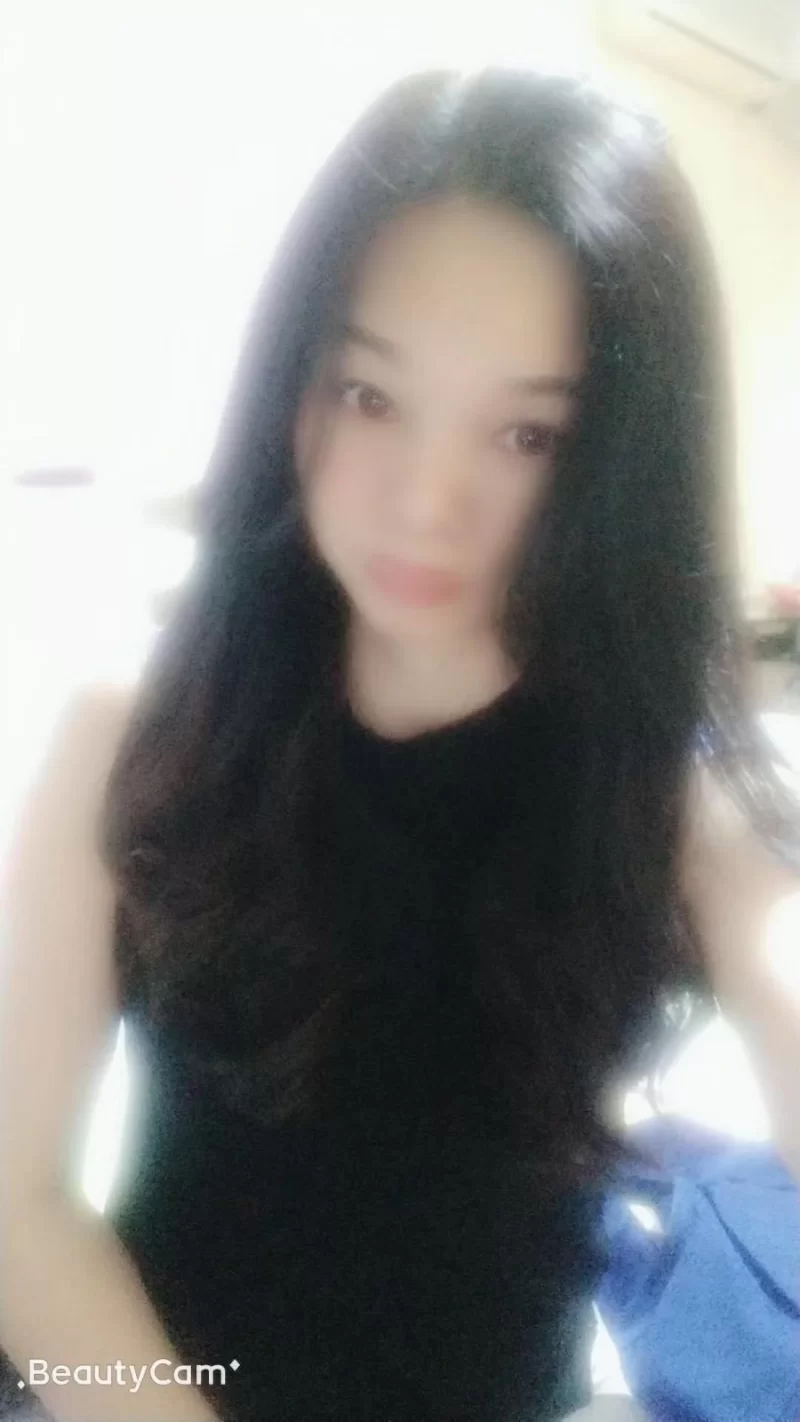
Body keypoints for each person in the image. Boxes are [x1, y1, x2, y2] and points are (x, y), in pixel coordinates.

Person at [1, 66, 799, 1422]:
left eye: (528, 432)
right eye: (371, 394)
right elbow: (18, 1206)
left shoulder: (668, 794)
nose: (429, 503)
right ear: (296, 382)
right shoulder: (135, 729)